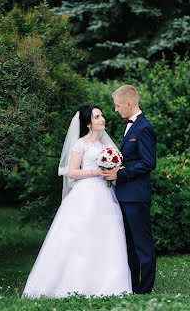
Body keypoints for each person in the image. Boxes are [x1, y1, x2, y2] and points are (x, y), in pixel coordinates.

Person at [22, 104, 132, 299]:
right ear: (88, 123)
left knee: (106, 235)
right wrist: (96, 171)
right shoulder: (80, 144)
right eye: (97, 117)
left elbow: (116, 169)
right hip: (85, 194)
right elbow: (72, 172)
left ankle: (108, 283)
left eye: (102, 116)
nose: (102, 119)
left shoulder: (107, 146)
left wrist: (111, 173)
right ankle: (76, 282)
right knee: (81, 236)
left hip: (105, 196)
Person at [102, 85, 156, 294]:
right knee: (129, 246)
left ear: (129, 104)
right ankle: (132, 285)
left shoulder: (144, 128)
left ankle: (146, 288)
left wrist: (120, 174)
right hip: (123, 195)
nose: (116, 110)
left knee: (143, 245)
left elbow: (148, 162)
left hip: (136, 195)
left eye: (117, 106)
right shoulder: (129, 126)